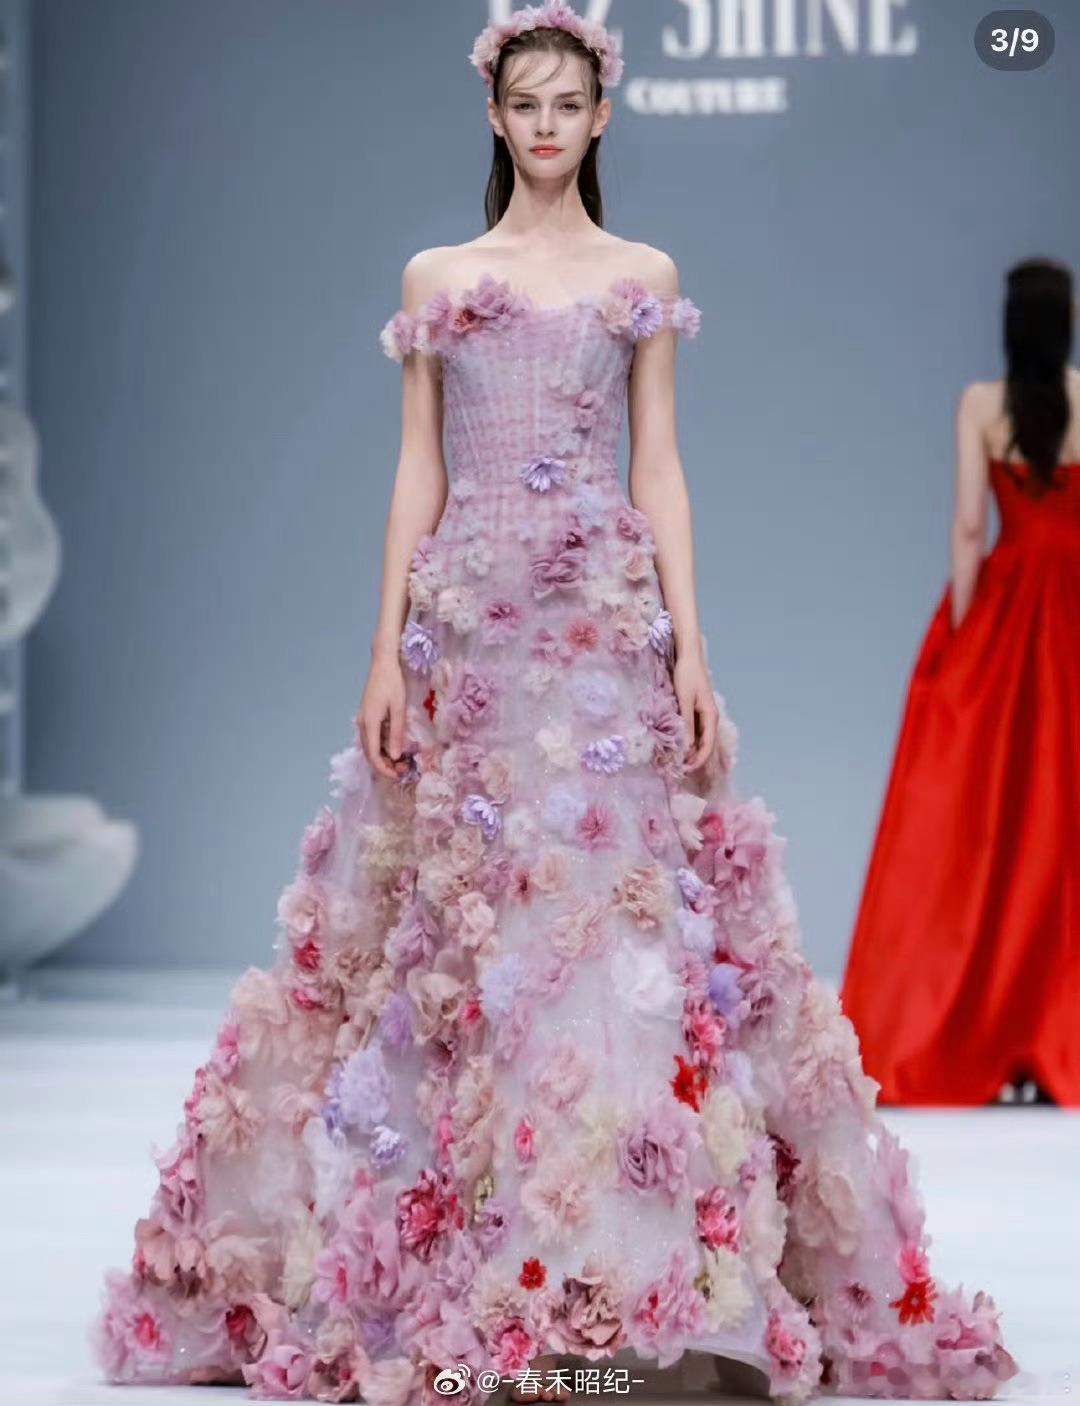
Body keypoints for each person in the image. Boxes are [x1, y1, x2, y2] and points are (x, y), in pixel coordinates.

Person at [89, 4, 1019, 1402]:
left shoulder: (641, 274)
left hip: (600, 633)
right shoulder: (439, 274)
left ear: (600, 117)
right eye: (523, 103)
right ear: (494, 113)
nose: (543, 125)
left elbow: (660, 467)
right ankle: (490, 1268)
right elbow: (417, 466)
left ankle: (616, 1282)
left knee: (615, 934)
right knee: (455, 932)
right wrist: (386, 647)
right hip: (472, 632)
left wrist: (691, 646)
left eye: (565, 104)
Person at [841, 257, 1079, 1109]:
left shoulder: (982, 405)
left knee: (995, 817)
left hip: (1012, 607)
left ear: (1011, 327)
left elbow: (971, 524)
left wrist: (963, 635)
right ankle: (1057, 1031)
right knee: (1062, 819)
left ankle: (980, 1030)